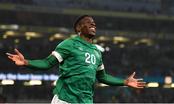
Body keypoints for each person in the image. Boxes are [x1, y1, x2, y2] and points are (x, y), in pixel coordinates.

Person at [6, 15, 146, 103]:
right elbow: (47, 63)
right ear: (79, 27)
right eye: (89, 22)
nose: (93, 25)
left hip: (86, 101)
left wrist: (124, 82)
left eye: (94, 23)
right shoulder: (68, 44)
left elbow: (102, 77)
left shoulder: (97, 52)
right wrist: (26, 62)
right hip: (65, 99)